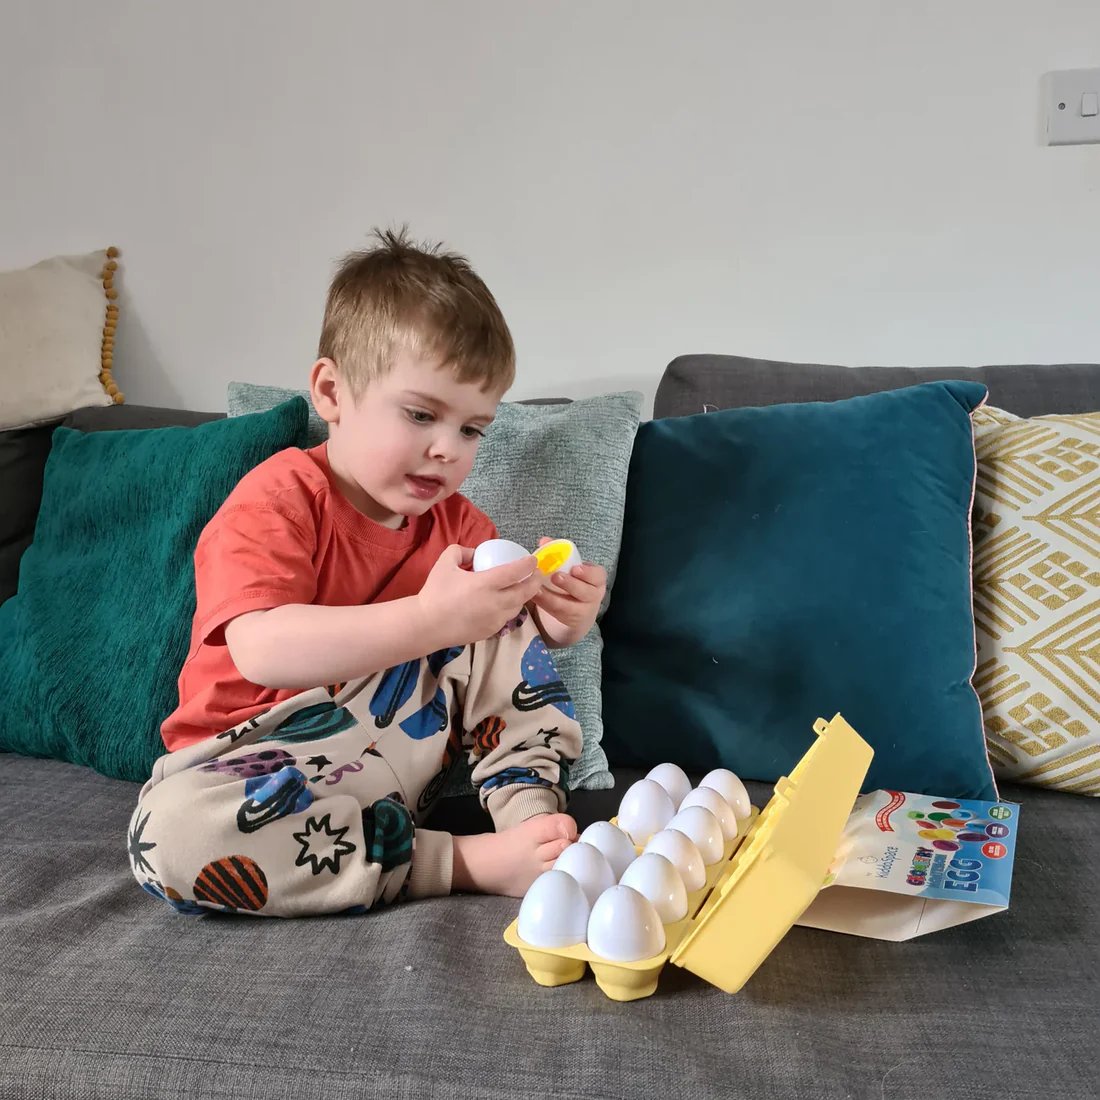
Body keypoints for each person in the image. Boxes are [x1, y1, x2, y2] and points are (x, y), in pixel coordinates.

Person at [126, 228, 606, 918]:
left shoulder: (459, 530)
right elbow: (260, 648)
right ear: (331, 391)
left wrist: (558, 622)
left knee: (496, 605)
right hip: (258, 764)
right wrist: (429, 619)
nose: (447, 449)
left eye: (473, 430)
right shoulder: (279, 496)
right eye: (420, 414)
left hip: (394, 757)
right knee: (166, 836)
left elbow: (500, 665)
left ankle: (528, 816)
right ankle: (453, 860)